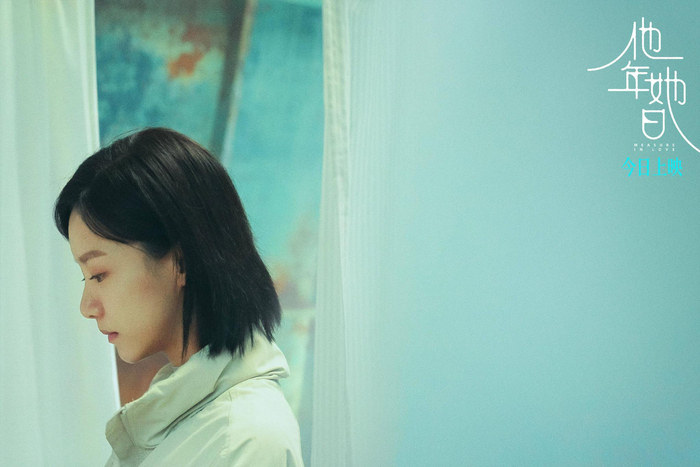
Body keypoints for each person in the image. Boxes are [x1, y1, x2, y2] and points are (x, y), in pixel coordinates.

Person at [53, 127, 305, 467]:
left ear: (181, 263)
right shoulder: (178, 420)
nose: (87, 307)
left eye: (99, 274)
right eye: (85, 278)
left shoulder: (245, 441)